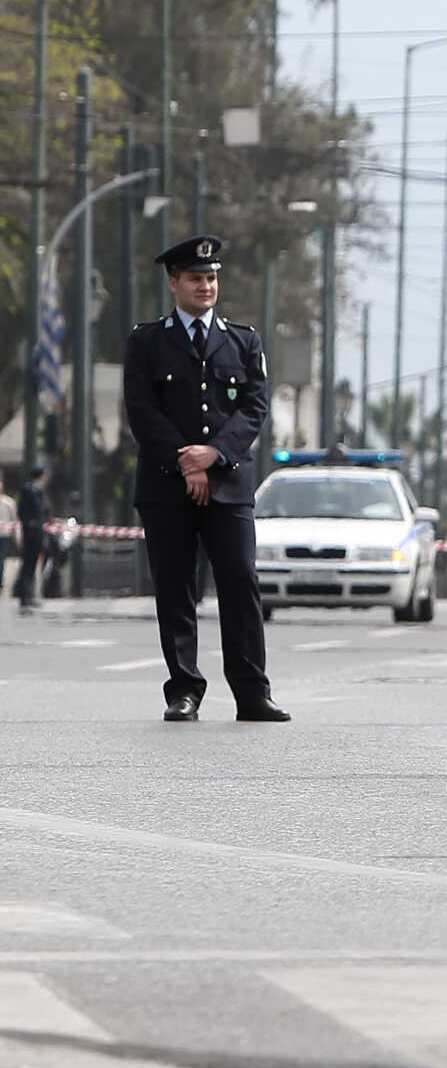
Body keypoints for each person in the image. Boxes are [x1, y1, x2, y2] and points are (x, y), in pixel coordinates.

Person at [123, 236, 289, 724]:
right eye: (195, 278)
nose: (205, 286)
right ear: (174, 282)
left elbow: (254, 405)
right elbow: (142, 410)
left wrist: (214, 455)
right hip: (165, 483)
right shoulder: (147, 341)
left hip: (230, 484)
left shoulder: (243, 340)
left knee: (240, 582)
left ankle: (252, 692)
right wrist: (185, 462)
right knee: (176, 588)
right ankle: (184, 690)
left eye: (211, 278)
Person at [12, 463, 48, 614]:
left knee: (32, 565)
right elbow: (28, 511)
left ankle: (28, 595)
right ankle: (24, 596)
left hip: (34, 531)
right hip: (32, 532)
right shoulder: (32, 489)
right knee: (28, 564)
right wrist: (31, 525)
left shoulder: (35, 490)